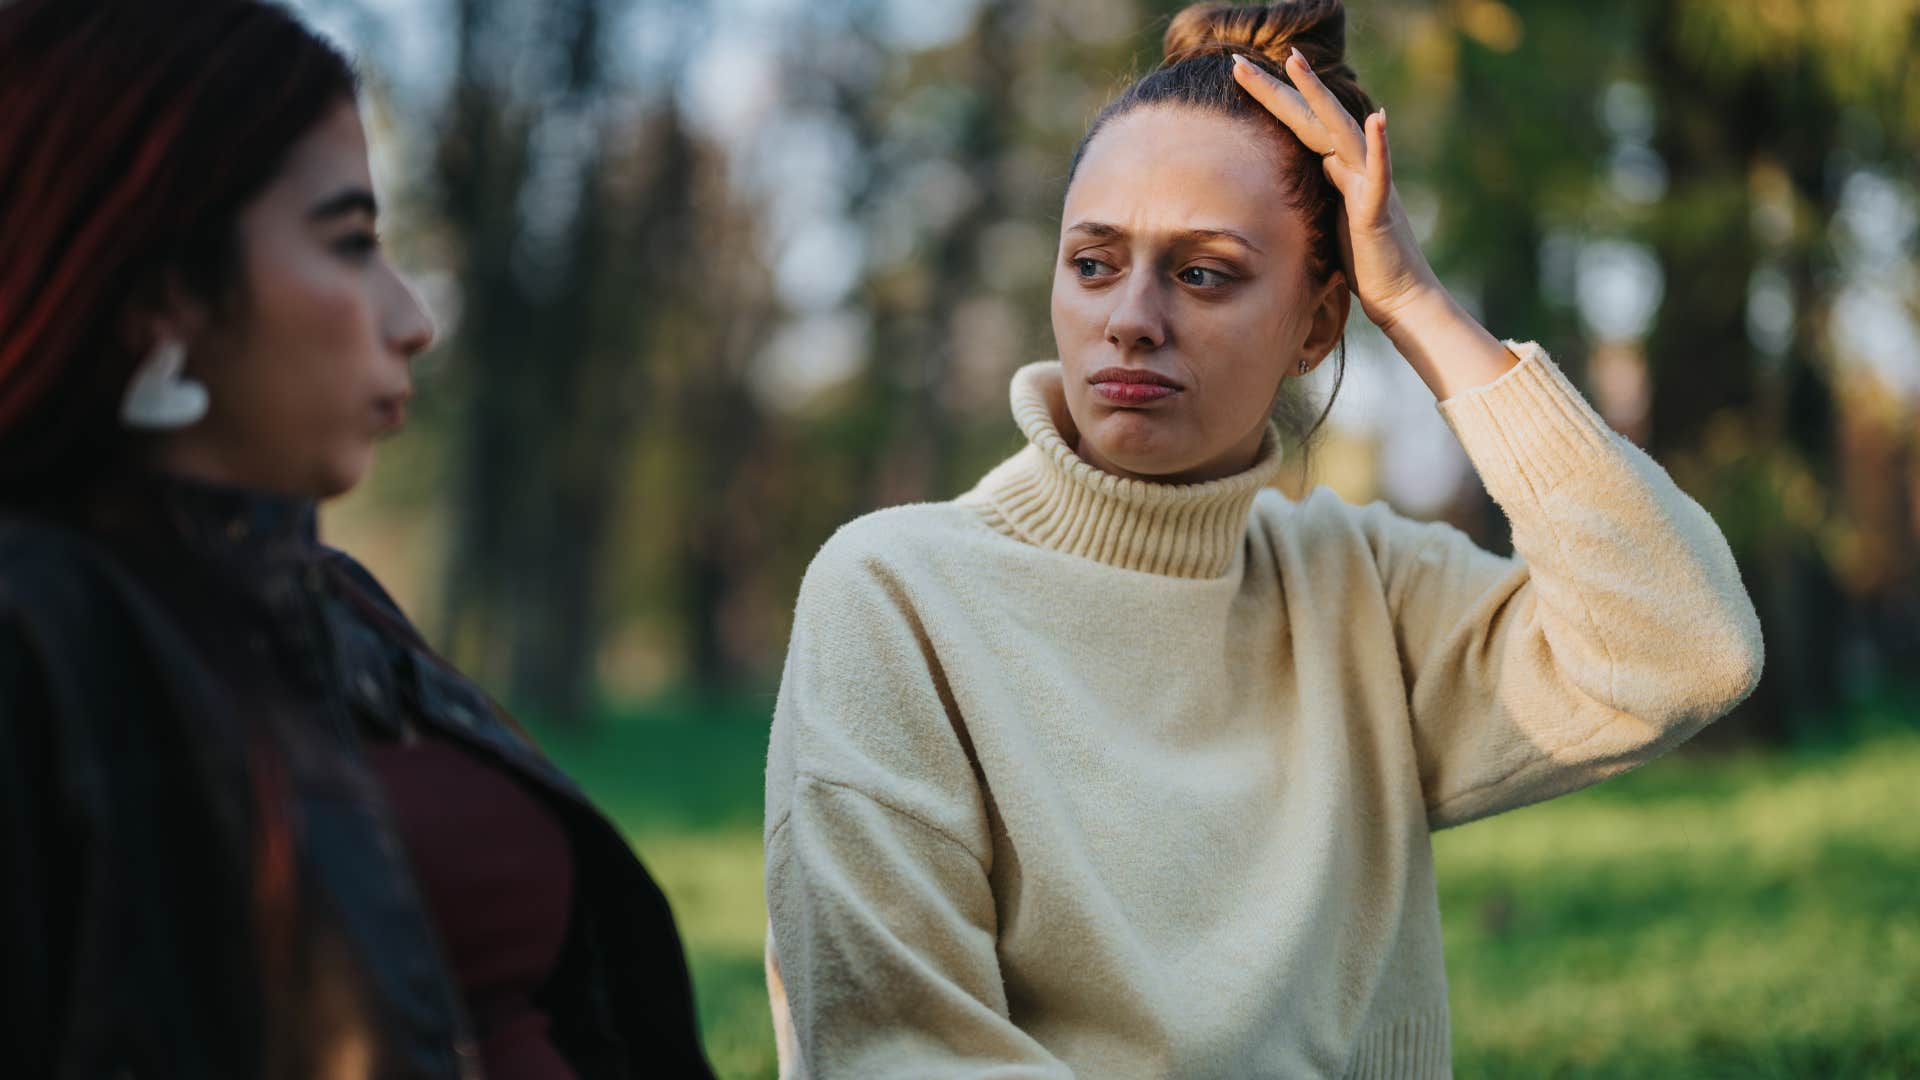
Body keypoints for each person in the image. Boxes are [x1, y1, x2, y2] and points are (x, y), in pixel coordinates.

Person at [762, 1, 1764, 1076]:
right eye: (1093, 263)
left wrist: (1417, 305)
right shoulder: (895, 597)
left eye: (1202, 272)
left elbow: (1686, 651)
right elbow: (897, 1053)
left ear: (1318, 324)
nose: (1130, 317)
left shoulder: (1364, 593)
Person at [0, 2, 713, 1076]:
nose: (412, 320)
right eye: (350, 243)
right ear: (162, 291)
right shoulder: (36, 627)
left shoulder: (329, 604)